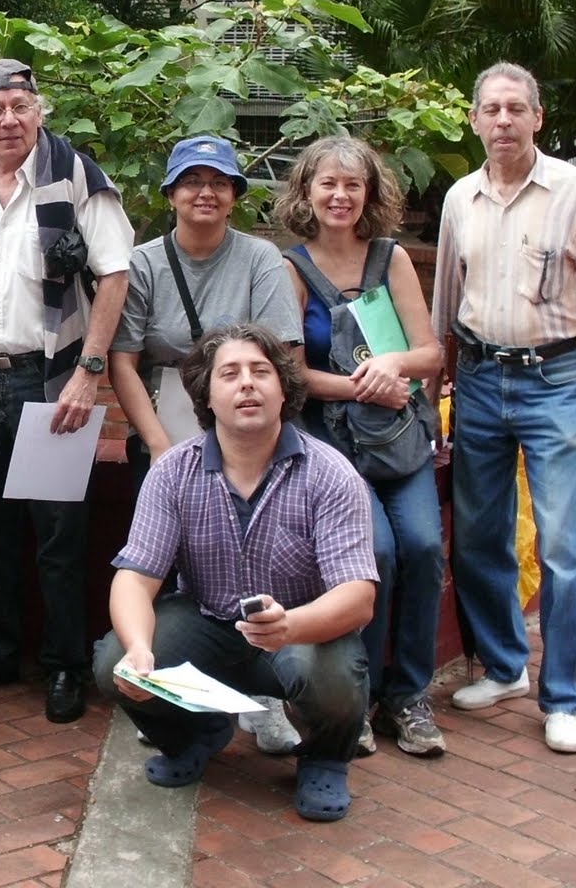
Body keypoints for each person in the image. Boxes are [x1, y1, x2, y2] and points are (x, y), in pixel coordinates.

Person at [0, 57, 133, 725]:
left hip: (52, 378)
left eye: (20, 106)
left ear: (40, 112)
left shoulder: (77, 178)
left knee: (57, 531)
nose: (8, 120)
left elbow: (115, 276)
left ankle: (65, 664)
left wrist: (88, 373)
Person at [93, 323, 376, 823]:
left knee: (332, 675)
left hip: (300, 630)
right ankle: (194, 736)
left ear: (283, 389)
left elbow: (358, 596)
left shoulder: (331, 473)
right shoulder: (173, 472)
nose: (247, 383)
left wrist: (289, 625)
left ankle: (325, 759)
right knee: (114, 661)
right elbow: (135, 576)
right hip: (208, 622)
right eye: (230, 374)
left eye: (261, 371)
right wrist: (138, 649)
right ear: (206, 396)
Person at [431, 61, 576, 755]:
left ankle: (565, 696)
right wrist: (437, 389)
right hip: (479, 379)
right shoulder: (460, 199)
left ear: (538, 117)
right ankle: (505, 666)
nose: (504, 120)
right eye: (492, 109)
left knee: (561, 544)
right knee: (480, 535)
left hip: (556, 380)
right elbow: (445, 304)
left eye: (517, 108)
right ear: (475, 120)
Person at [108, 134, 303, 755]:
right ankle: (175, 696)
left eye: (219, 182)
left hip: (248, 423)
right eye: (192, 181)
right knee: (163, 565)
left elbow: (280, 357)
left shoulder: (261, 260)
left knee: (256, 550)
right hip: (165, 419)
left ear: (235, 195)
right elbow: (123, 360)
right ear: (170, 193)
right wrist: (160, 447)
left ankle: (265, 695)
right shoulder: (143, 263)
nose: (205, 193)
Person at [276, 135, 446, 758]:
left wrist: (393, 365)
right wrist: (361, 385)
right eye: (328, 183)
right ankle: (360, 692)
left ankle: (409, 695)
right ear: (307, 192)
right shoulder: (292, 269)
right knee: (375, 552)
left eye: (353, 184)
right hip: (333, 446)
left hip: (398, 439)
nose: (340, 195)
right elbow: (292, 374)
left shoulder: (391, 258)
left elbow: (430, 353)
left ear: (369, 193)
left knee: (423, 547)